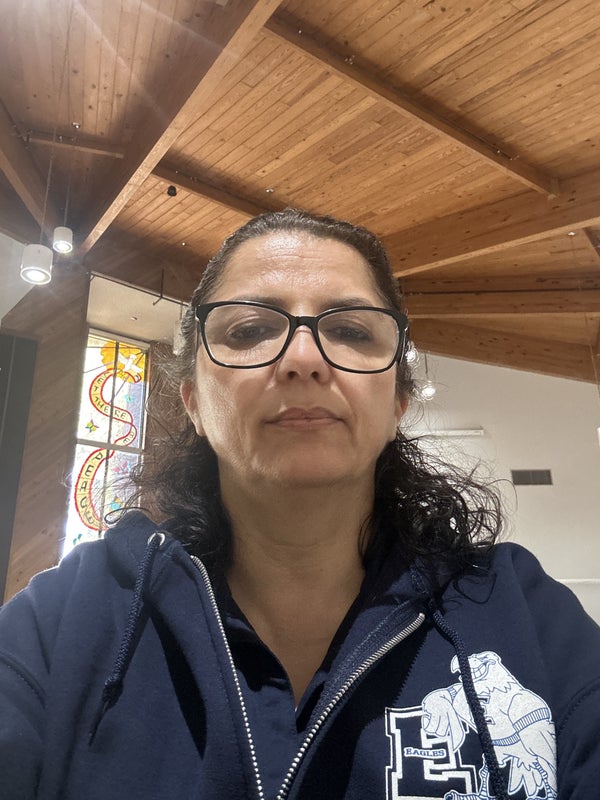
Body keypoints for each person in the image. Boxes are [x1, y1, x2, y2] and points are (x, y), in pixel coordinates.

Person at [0, 209, 599, 800]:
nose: (304, 359)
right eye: (249, 330)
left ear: (397, 403)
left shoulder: (529, 617)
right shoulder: (61, 623)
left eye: (352, 331)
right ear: (193, 403)